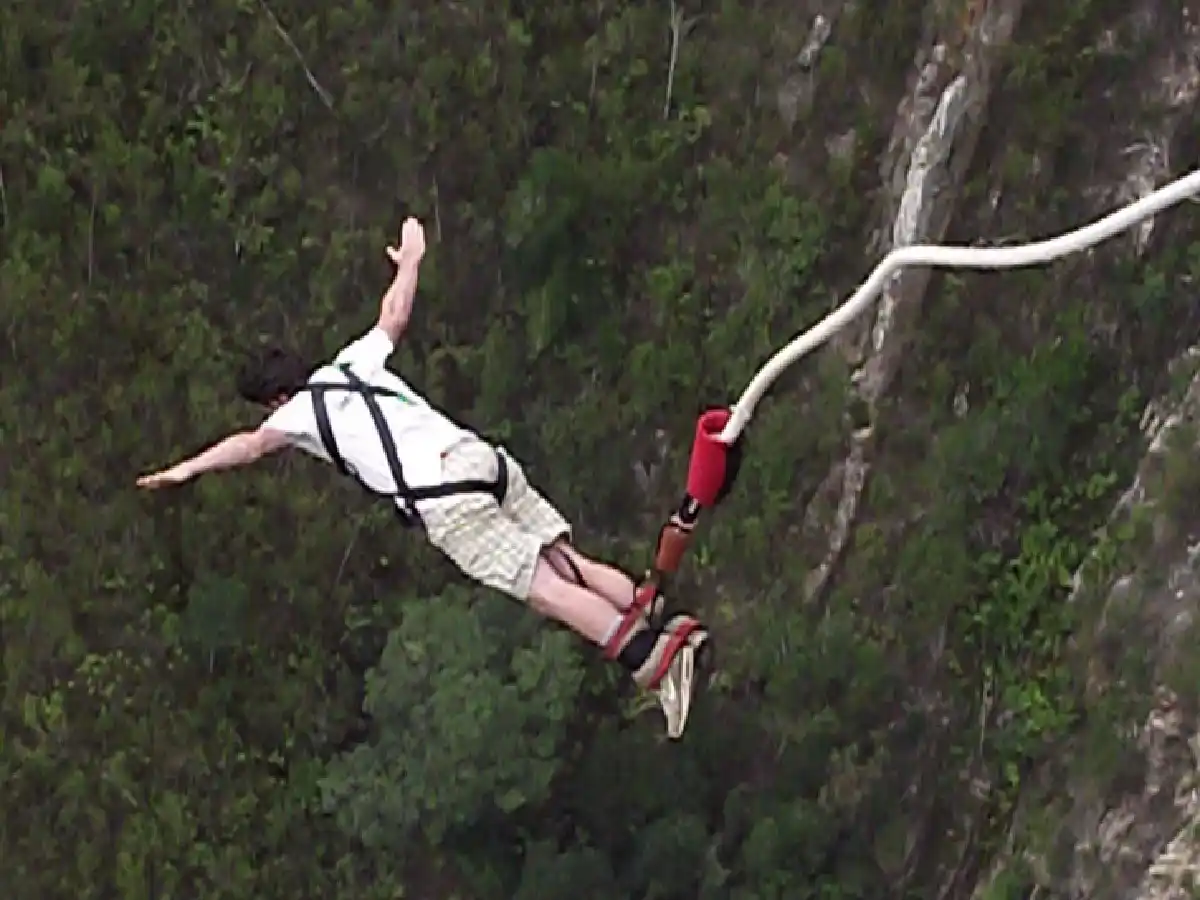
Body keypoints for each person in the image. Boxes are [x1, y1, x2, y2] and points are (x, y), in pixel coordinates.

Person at [136, 218, 709, 738]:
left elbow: (249, 446)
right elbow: (394, 315)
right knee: (568, 562)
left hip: (445, 499)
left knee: (549, 592)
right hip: (480, 459)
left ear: (275, 399)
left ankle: (656, 663)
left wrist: (187, 468)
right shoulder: (352, 362)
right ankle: (666, 622)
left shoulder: (295, 415)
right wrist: (411, 259)